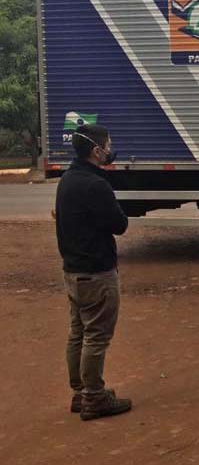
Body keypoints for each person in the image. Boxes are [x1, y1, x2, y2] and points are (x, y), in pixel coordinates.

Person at [55, 123, 133, 421]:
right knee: (96, 337)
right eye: (108, 144)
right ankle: (94, 398)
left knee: (78, 333)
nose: (111, 149)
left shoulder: (68, 180)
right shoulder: (95, 185)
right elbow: (120, 224)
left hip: (73, 272)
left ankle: (80, 392)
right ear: (96, 151)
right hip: (96, 273)